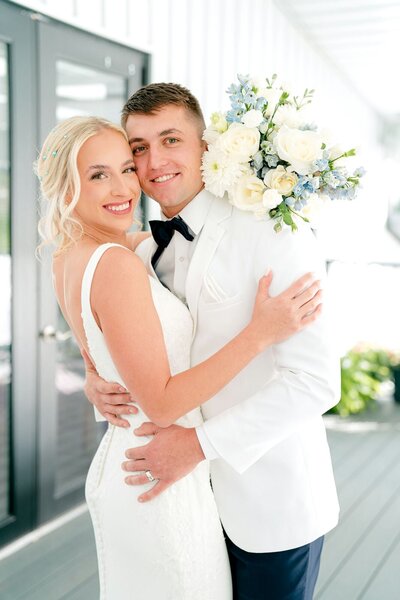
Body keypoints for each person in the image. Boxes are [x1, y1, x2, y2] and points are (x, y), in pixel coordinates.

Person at [36, 115, 322, 600]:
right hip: (159, 470)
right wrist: (260, 334)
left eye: (127, 168)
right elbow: (164, 404)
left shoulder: (70, 253)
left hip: (136, 461)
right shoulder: (118, 264)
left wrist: (93, 373)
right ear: (66, 186)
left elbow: (96, 336)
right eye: (98, 174)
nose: (124, 186)